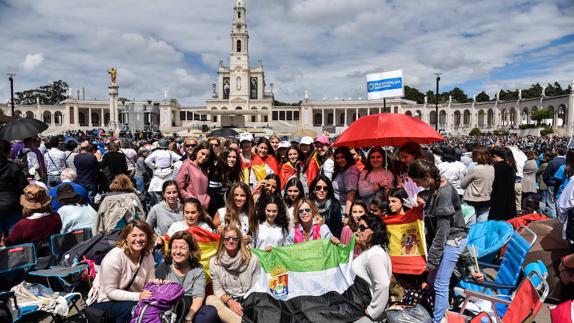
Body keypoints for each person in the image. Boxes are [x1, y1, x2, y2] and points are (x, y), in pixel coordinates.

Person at [407, 159, 467, 323]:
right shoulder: (436, 187)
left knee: (440, 284)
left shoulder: (444, 193)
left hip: (453, 240)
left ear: (427, 176)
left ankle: (438, 319)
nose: (418, 185)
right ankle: (443, 312)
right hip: (447, 239)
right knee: (433, 281)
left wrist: (432, 260)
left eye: (418, 181)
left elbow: (443, 231)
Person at [87, 221, 157, 323]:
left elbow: (149, 283)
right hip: (105, 302)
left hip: (134, 300)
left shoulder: (147, 255)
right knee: (133, 309)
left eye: (142, 235)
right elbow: (110, 292)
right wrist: (138, 296)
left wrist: (157, 285)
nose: (138, 239)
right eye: (133, 235)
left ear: (147, 237)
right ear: (126, 238)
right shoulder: (115, 257)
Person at [155, 231, 219, 323]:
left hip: (190, 309)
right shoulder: (163, 267)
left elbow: (198, 297)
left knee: (210, 312)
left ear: (191, 250)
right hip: (169, 311)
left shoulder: (198, 269)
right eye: (174, 248)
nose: (178, 252)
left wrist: (188, 317)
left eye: (182, 248)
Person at [206, 226, 259, 323]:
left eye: (234, 238)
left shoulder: (253, 259)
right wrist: (230, 302)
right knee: (210, 299)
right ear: (222, 241)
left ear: (239, 240)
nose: (231, 241)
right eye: (227, 238)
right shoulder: (214, 262)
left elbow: (255, 287)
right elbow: (217, 290)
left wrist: (242, 303)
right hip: (226, 301)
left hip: (248, 300)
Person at [352, 215, 392, 323]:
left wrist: (372, 310)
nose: (358, 231)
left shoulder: (374, 254)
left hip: (367, 316)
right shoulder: (373, 251)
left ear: (373, 230)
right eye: (358, 228)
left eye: (362, 228)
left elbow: (383, 284)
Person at [0, 139, 28, 240]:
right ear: (7, 152)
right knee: (14, 240)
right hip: (13, 206)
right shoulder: (13, 166)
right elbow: (24, 185)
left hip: (12, 205)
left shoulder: (13, 166)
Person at [460, 147, 494, 223]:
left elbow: (463, 184)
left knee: (471, 223)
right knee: (482, 223)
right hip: (486, 197)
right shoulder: (492, 168)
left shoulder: (475, 169)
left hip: (472, 198)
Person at [145, 139, 182, 205]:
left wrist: (154, 166)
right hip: (168, 174)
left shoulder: (156, 152)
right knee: (169, 197)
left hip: (157, 176)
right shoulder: (170, 152)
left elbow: (146, 161)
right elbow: (180, 159)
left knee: (159, 200)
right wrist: (174, 165)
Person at [177, 142, 213, 210]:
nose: (204, 157)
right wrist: (192, 199)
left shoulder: (204, 168)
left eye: (207, 156)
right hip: (191, 207)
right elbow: (179, 188)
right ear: (196, 152)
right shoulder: (187, 165)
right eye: (202, 153)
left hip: (203, 208)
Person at [489, 147, 517, 221]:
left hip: (497, 200)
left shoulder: (495, 167)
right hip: (509, 200)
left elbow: (493, 184)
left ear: (494, 156)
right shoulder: (509, 166)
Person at [332, 146, 360, 216]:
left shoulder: (351, 171)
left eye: (342, 157)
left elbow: (351, 193)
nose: (339, 160)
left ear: (347, 157)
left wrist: (346, 215)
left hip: (346, 211)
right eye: (337, 158)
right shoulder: (342, 170)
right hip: (339, 209)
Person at [543, 144, 567, 218]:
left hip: (553, 185)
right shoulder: (567, 162)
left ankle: (554, 220)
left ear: (557, 151)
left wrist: (548, 183)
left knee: (551, 204)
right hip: (564, 186)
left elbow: (546, 175)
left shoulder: (552, 162)